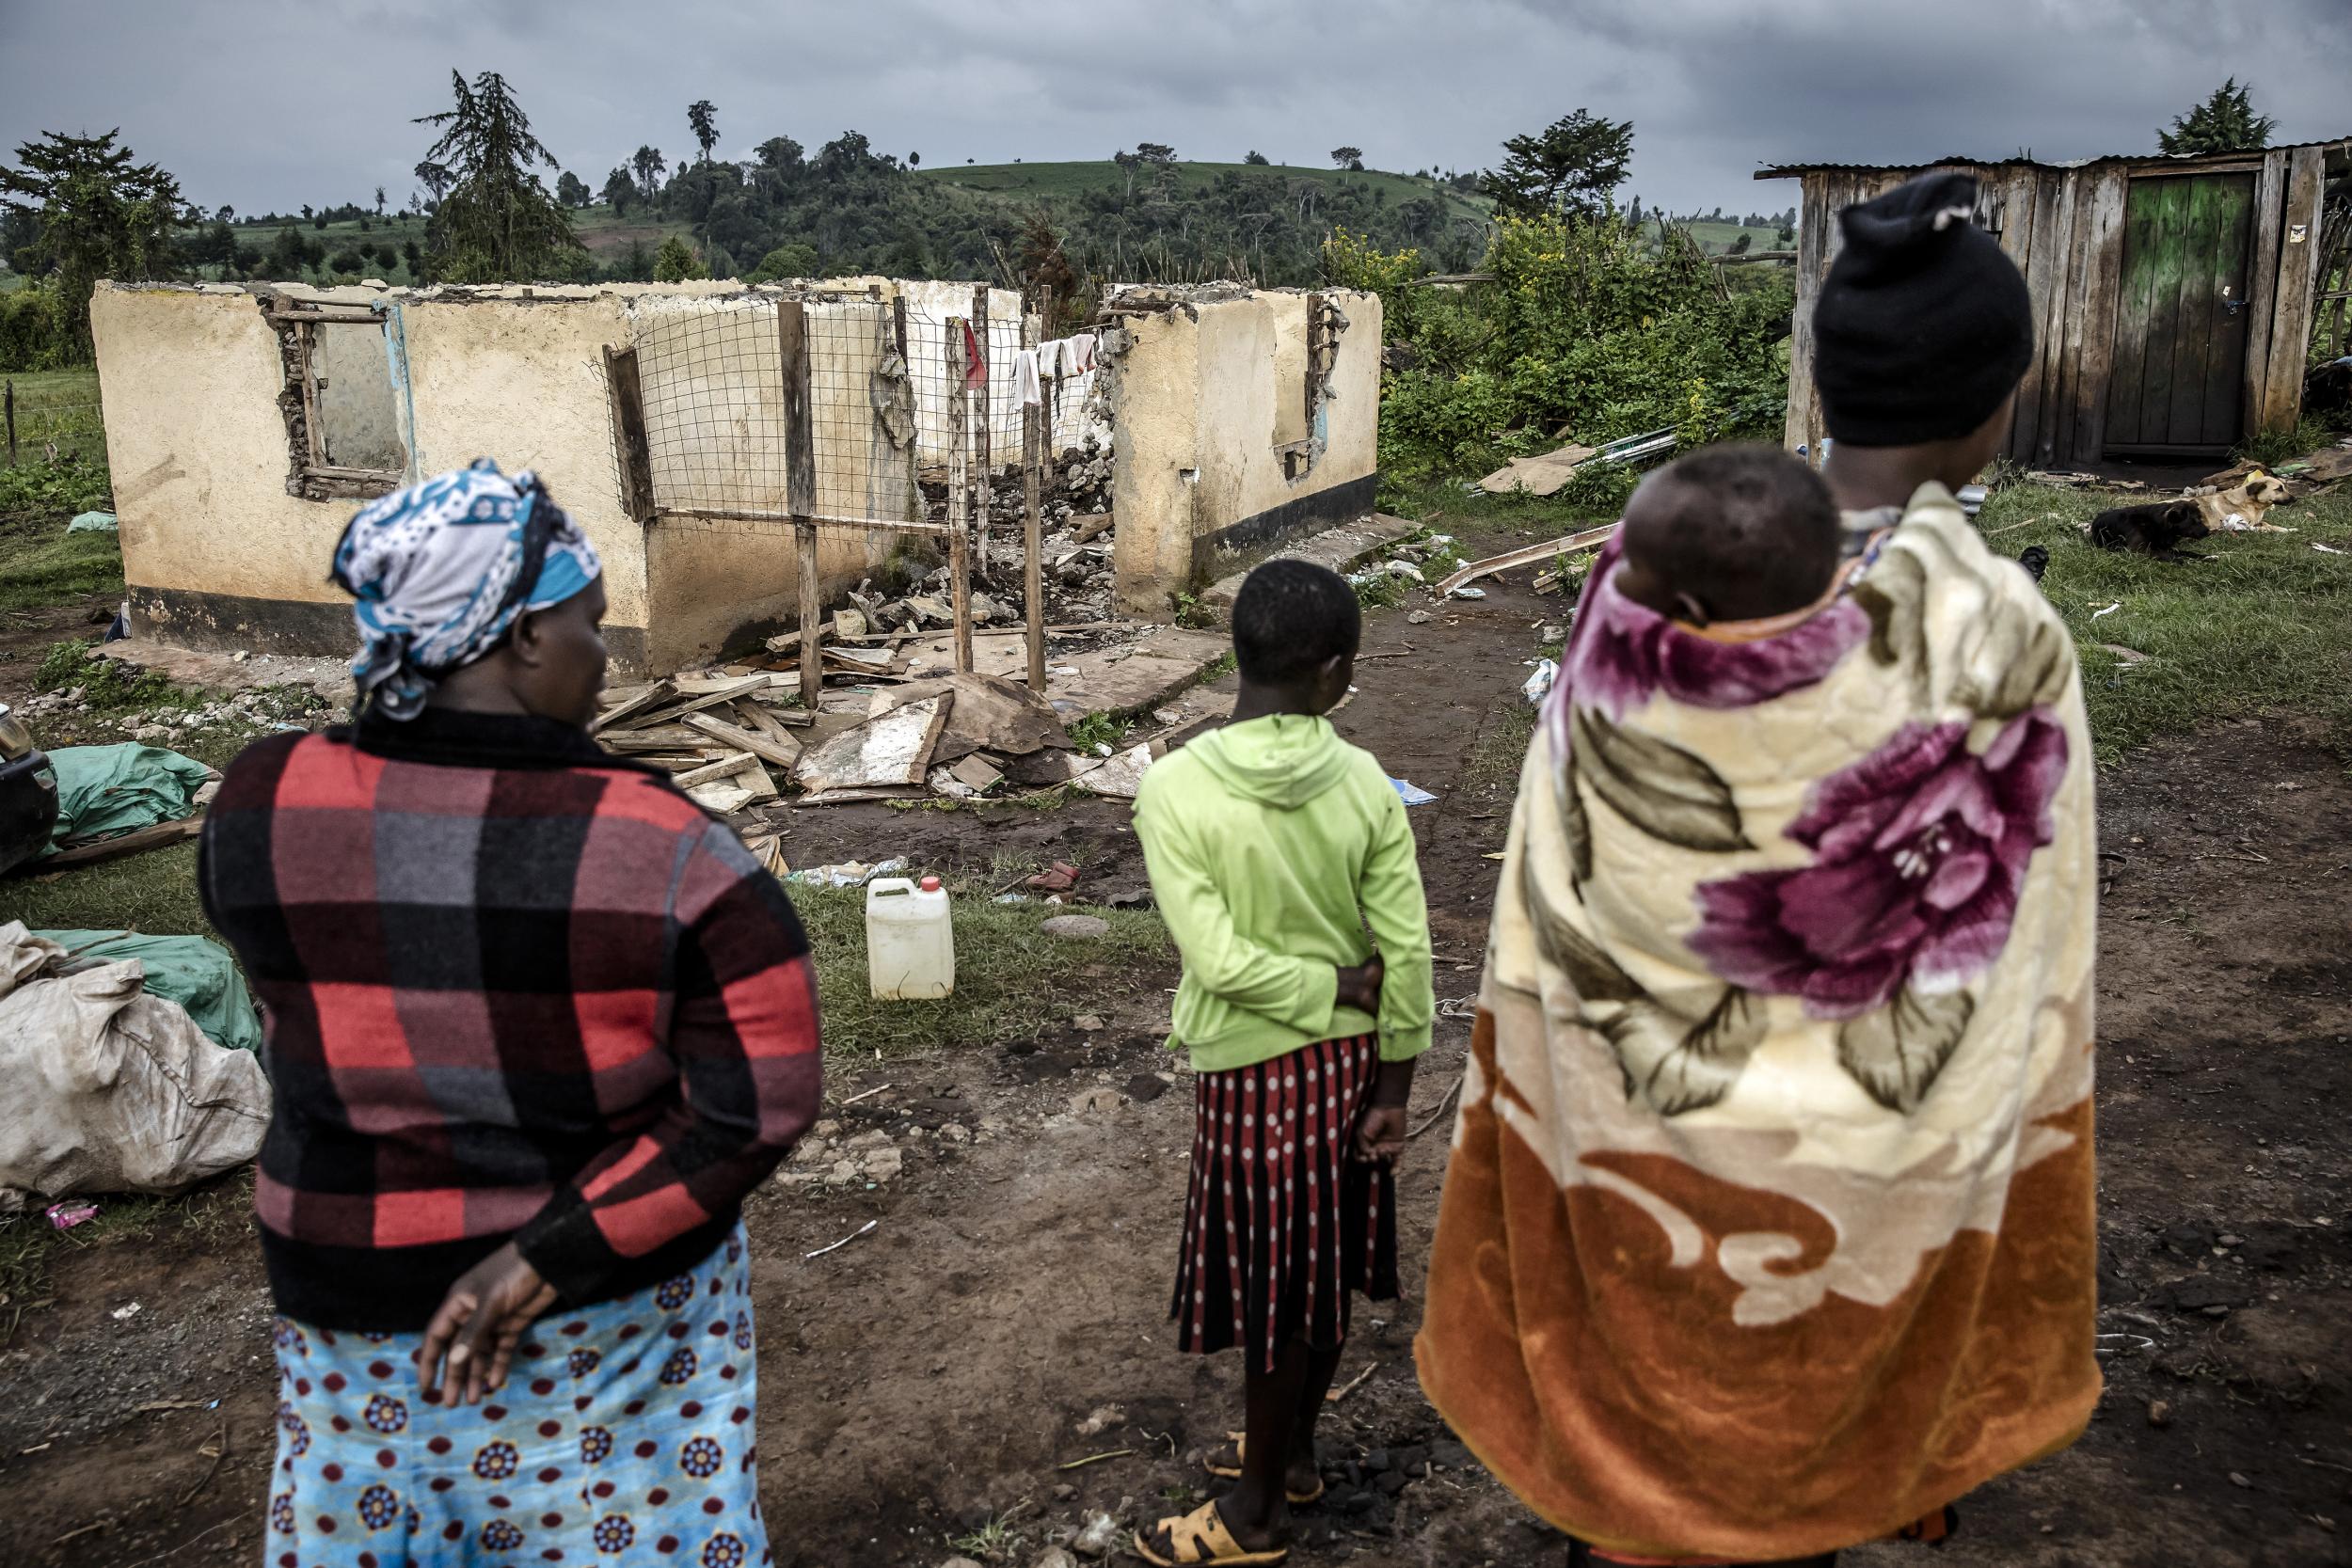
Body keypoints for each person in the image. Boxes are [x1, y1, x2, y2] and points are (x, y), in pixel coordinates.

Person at [1418, 170, 2100, 1567]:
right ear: (1994, 401)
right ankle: (1843, 1468)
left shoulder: (1640, 590)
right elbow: (2025, 942)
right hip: (1867, 1185)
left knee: (1642, 1454)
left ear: (1827, 377)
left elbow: (1573, 868)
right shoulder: (1999, 634)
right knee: (1812, 1465)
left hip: (1633, 1153)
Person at [201, 460, 821, 1568]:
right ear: (523, 637)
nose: (600, 651)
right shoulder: (664, 848)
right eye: (589, 622)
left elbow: (302, 1007)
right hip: (606, 1328)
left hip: (348, 1316)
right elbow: (759, 1101)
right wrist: (549, 1250)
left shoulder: (261, 802)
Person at [1128, 559, 1434, 1566]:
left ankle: (1255, 1512)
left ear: (1236, 652)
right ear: (1335, 670)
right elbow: (1406, 952)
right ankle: (1289, 1455)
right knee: (1321, 1272)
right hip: (1347, 1071)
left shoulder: (1173, 786)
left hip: (1249, 1076)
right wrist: (1389, 1074)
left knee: (1276, 1286)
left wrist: (1309, 990)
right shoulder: (1364, 782)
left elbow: (1215, 959)